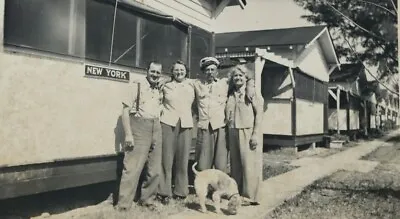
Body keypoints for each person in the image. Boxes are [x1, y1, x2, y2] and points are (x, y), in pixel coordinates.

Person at [116, 61, 164, 211]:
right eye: (153, 71)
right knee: (132, 167)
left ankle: (148, 200)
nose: (155, 75)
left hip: (156, 126)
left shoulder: (159, 88)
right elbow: (125, 111)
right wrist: (129, 134)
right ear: (147, 71)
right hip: (139, 126)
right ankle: (123, 206)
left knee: (154, 169)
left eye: (158, 72)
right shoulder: (136, 85)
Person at [193, 57, 255, 173]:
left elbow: (244, 76)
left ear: (217, 71)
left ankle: (221, 189)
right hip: (204, 127)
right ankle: (204, 189)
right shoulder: (196, 84)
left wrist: (250, 85)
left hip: (221, 127)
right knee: (203, 164)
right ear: (203, 72)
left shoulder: (225, 83)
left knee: (221, 164)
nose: (210, 72)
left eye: (213, 69)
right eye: (207, 70)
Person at [225, 64, 264, 205]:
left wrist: (255, 134)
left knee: (249, 164)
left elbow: (259, 113)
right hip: (233, 130)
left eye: (241, 75)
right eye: (235, 76)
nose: (238, 78)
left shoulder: (251, 92)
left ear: (246, 77)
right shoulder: (230, 93)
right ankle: (237, 193)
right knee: (235, 165)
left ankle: (250, 196)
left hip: (247, 130)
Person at [158, 60, 195, 204]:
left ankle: (181, 191)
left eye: (182, 70)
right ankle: (164, 192)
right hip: (168, 122)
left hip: (185, 124)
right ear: (172, 72)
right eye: (176, 70)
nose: (179, 72)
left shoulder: (192, 84)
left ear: (186, 71)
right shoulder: (166, 85)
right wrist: (166, 79)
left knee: (183, 159)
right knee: (166, 159)